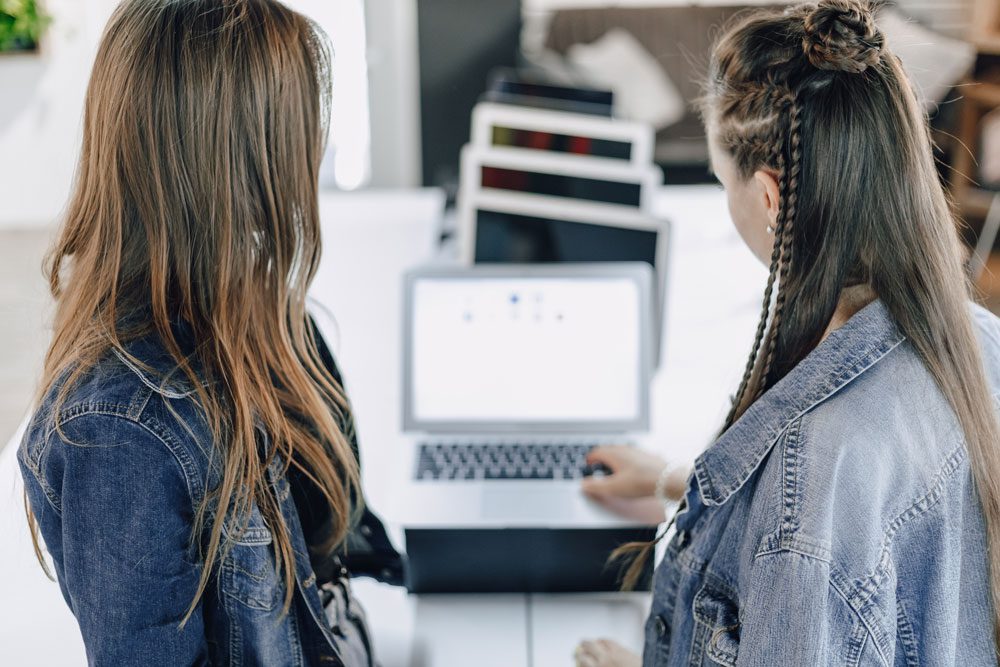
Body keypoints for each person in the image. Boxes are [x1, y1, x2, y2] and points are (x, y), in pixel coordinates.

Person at [575, 0, 1000, 664]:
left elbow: (818, 536)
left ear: (770, 199)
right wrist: (671, 480)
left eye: (725, 182)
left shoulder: (812, 478)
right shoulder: (982, 345)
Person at [16, 1, 402, 664]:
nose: (310, 153)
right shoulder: (119, 432)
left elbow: (330, 553)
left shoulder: (274, 322)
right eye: (296, 128)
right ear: (236, 163)